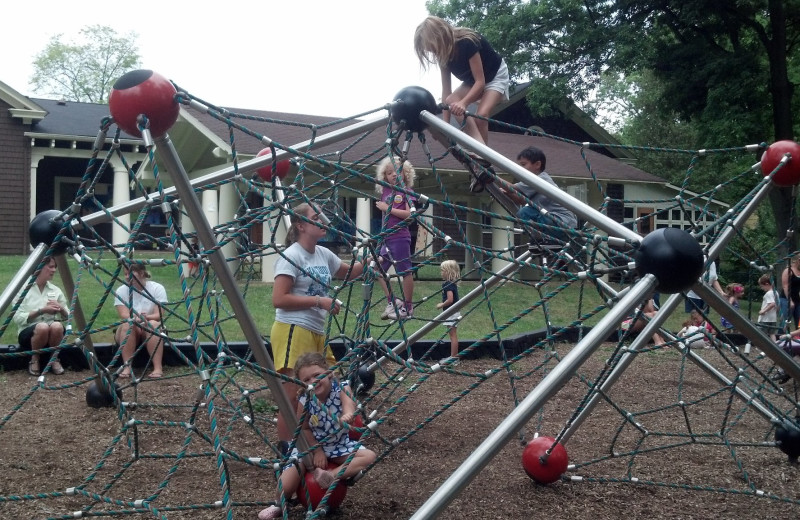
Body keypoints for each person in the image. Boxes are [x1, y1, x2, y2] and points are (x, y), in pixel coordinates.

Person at [272, 202, 364, 444]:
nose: (323, 220)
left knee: (332, 381)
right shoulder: (292, 255)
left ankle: (325, 439)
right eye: (316, 217)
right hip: (293, 329)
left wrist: (375, 256)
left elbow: (349, 272)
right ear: (301, 225)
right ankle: (286, 452)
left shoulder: (322, 253)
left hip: (315, 330)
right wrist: (319, 301)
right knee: (291, 396)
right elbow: (278, 299)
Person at [258, 352, 377, 520]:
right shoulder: (305, 400)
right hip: (310, 446)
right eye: (306, 380)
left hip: (339, 444)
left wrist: (347, 414)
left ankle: (332, 475)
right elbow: (304, 429)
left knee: (369, 456)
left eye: (317, 375)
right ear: (301, 383)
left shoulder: (342, 387)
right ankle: (278, 504)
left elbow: (349, 404)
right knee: (289, 478)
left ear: (329, 373)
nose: (313, 381)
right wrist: (317, 450)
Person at [414, 15, 510, 145]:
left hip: (494, 76)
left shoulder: (467, 42)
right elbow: (446, 92)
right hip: (472, 81)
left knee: (481, 116)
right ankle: (478, 145)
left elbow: (480, 82)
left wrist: (464, 103)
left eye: (433, 48)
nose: (434, 53)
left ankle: (483, 152)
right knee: (451, 100)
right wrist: (445, 126)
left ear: (439, 38)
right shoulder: (443, 57)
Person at [495, 146, 578, 244]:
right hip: (565, 225)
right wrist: (507, 193)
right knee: (526, 211)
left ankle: (538, 239)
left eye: (523, 165)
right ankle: (545, 241)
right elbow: (520, 200)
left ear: (537, 164)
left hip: (560, 221)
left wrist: (492, 176)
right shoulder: (536, 181)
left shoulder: (539, 179)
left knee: (525, 212)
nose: (520, 169)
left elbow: (512, 188)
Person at [374, 156, 417, 320]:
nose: (393, 175)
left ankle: (408, 307)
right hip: (386, 238)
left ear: (405, 174)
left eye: (397, 171)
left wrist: (387, 208)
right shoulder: (385, 190)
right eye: (389, 172)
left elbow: (409, 215)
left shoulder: (406, 191)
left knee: (405, 271)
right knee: (375, 269)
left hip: (399, 237)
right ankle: (393, 301)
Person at [13, 256, 68, 376]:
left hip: (52, 333)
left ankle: (54, 359)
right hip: (28, 334)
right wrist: (41, 311)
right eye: (51, 267)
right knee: (42, 327)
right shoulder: (23, 289)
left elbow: (69, 317)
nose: (54, 270)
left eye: (55, 267)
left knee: (57, 326)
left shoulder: (55, 290)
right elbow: (17, 318)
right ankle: (34, 359)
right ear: (39, 267)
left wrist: (61, 309)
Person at [114, 262, 168, 378]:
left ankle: (158, 368)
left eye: (130, 274)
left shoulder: (157, 288)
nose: (127, 277)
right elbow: (124, 315)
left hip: (149, 325)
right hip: (132, 325)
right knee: (128, 325)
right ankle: (127, 367)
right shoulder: (121, 290)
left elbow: (159, 315)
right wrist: (136, 319)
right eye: (125, 274)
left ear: (141, 273)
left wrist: (146, 318)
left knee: (152, 324)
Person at [436, 260, 462, 364]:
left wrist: (441, 305)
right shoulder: (451, 284)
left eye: (442, 270)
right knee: (453, 335)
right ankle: (454, 357)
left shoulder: (448, 284)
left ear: (448, 271)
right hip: (453, 312)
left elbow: (450, 300)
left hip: (451, 313)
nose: (441, 272)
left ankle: (454, 358)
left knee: (453, 335)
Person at [757, 274, 779, 340]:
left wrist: (763, 311)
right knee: (772, 334)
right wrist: (776, 312)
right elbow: (777, 305)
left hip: (765, 318)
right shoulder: (776, 292)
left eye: (762, 286)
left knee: (762, 334)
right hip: (773, 318)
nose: (761, 288)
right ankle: (774, 346)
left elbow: (772, 304)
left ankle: (762, 346)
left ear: (766, 284)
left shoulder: (769, 293)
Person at [781, 253, 800, 328]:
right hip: (786, 299)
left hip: (798, 300)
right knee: (785, 322)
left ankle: (797, 338)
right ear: (798, 260)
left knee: (799, 323)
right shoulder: (788, 270)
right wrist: (790, 301)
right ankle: (780, 337)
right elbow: (785, 286)